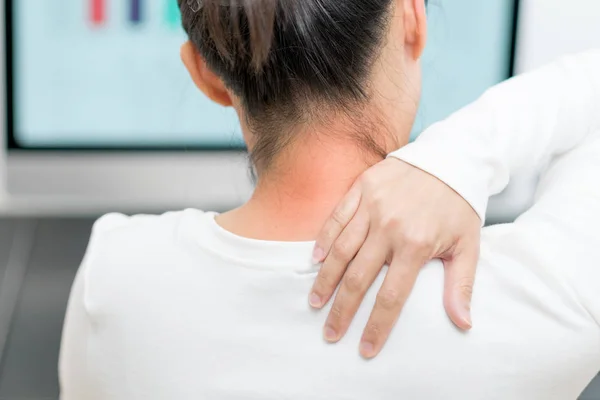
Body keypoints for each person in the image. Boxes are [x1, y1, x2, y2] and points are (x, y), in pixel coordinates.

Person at [59, 0, 600, 398]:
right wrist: (461, 154)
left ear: (207, 73)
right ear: (414, 21)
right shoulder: (549, 297)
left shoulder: (114, 278)